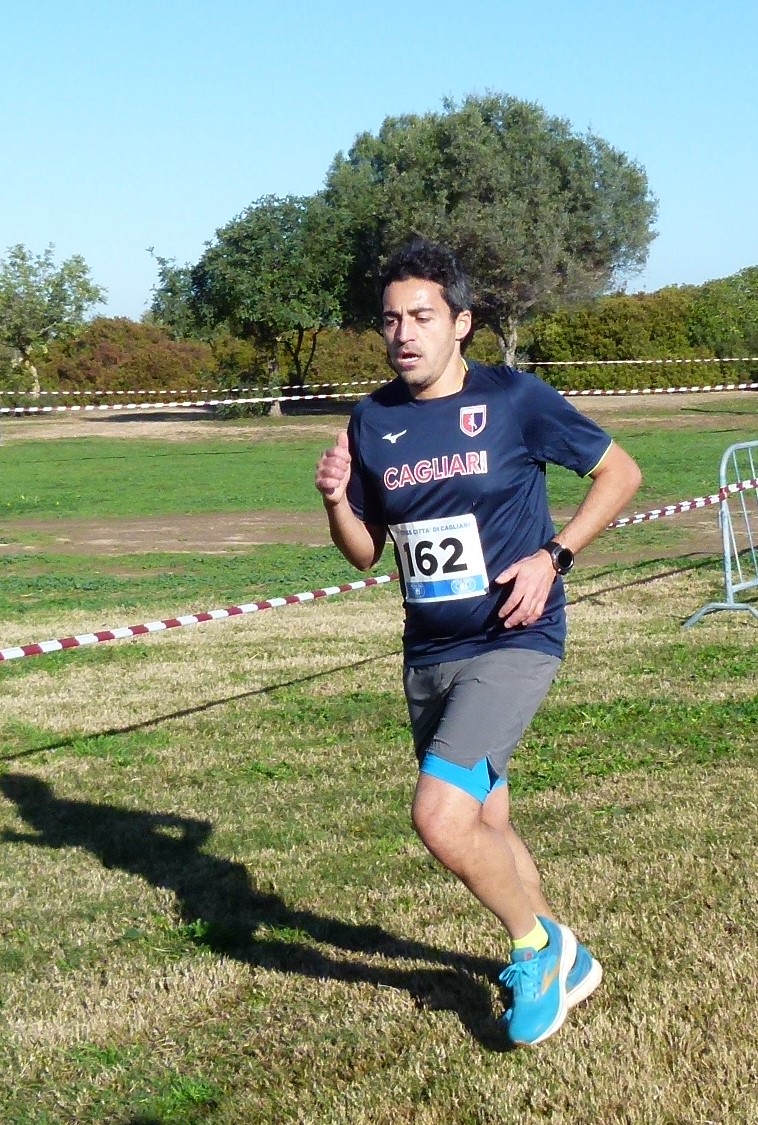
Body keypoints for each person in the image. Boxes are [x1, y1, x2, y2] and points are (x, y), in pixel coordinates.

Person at [314, 237, 642, 1048]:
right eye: (392, 319)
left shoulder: (514, 399)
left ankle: (536, 947)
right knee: (486, 818)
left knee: (440, 815)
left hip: (514, 638)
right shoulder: (373, 418)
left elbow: (622, 473)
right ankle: (565, 954)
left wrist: (554, 555)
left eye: (422, 316)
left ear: (460, 322)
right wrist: (336, 502)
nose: (404, 333)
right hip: (429, 653)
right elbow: (365, 552)